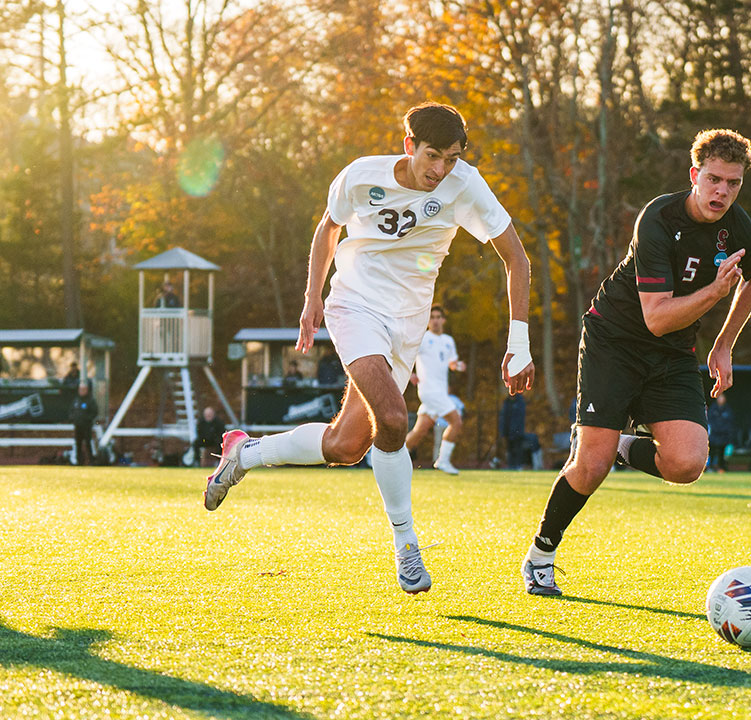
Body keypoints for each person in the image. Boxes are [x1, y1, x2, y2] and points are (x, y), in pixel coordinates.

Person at [204, 102, 535, 596]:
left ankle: (244, 452)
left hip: (408, 326)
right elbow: (327, 228)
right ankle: (407, 547)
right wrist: (312, 297)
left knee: (346, 445)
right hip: (354, 307)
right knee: (396, 419)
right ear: (409, 146)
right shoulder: (361, 175)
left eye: (451, 157)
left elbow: (517, 259)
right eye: (432, 156)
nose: (440, 169)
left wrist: (519, 342)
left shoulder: (463, 184)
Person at [520, 128, 751, 596]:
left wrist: (723, 344)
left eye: (733, 183)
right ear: (694, 175)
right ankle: (542, 555)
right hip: (615, 341)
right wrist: (715, 291)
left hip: (673, 352)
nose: (722, 192)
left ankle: (618, 446)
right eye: (714, 179)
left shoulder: (739, 228)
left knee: (686, 464)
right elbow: (655, 318)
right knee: (588, 468)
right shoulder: (658, 217)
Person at [403, 305, 467, 475]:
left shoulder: (448, 341)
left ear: (443, 320)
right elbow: (406, 355)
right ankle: (443, 461)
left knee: (419, 432)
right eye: (432, 317)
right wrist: (410, 375)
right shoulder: (423, 338)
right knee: (456, 421)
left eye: (438, 317)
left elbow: (451, 363)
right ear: (428, 321)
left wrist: (458, 366)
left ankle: (392, 458)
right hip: (430, 391)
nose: (435, 320)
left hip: (439, 392)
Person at [69, 382, 99, 465]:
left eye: (83, 389)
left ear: (86, 390)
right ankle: (79, 461)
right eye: (80, 389)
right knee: (78, 443)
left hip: (86, 426)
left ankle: (91, 461)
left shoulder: (90, 400)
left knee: (88, 443)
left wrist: (87, 419)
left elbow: (94, 412)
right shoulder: (76, 400)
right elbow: (71, 411)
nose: (81, 391)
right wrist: (73, 418)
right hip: (77, 426)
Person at [706, 392, 736, 472]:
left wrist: (724, 431)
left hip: (724, 436)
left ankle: (721, 468)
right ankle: (710, 467)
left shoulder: (728, 410)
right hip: (714, 435)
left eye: (722, 397)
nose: (721, 399)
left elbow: (730, 423)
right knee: (711, 451)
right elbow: (710, 421)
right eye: (719, 397)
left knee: (722, 452)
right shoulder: (713, 409)